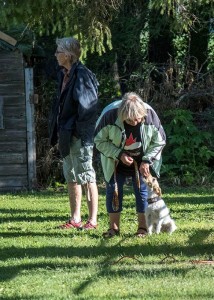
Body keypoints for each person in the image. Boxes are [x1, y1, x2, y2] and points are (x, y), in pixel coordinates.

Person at [94, 92, 166, 237]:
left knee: (142, 191)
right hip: (115, 160)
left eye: (139, 119)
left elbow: (160, 141)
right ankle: (113, 228)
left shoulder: (150, 115)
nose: (135, 122)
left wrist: (146, 160)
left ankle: (143, 228)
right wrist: (119, 154)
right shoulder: (109, 116)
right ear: (123, 115)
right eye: (131, 120)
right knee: (113, 190)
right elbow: (99, 141)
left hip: (142, 161)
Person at [49, 37, 99, 230]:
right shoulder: (65, 74)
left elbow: (88, 108)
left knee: (87, 177)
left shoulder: (82, 75)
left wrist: (77, 131)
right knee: (71, 177)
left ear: (68, 55)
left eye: (58, 51)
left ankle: (92, 221)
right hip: (66, 135)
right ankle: (75, 219)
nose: (55, 55)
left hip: (79, 135)